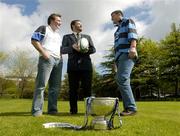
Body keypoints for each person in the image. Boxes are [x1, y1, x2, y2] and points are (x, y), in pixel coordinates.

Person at [61, 20, 96, 114]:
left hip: (86, 66)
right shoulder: (67, 37)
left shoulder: (87, 37)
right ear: (73, 25)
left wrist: (84, 50)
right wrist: (72, 47)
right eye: (79, 24)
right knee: (73, 89)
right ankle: (73, 111)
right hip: (73, 67)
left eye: (81, 24)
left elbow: (93, 49)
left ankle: (89, 110)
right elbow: (62, 50)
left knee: (87, 89)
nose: (81, 25)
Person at [31, 13, 63, 117]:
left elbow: (59, 48)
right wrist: (44, 52)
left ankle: (52, 110)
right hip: (47, 60)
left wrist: (60, 57)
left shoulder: (58, 35)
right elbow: (34, 40)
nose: (60, 23)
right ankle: (37, 111)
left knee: (55, 87)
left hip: (58, 61)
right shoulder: (44, 28)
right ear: (52, 20)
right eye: (58, 20)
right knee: (41, 86)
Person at [111, 10, 138, 116]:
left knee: (122, 79)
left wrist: (133, 47)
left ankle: (131, 108)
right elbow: (116, 47)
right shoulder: (116, 31)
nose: (112, 19)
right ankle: (128, 108)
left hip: (127, 53)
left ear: (119, 15)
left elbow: (133, 34)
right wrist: (115, 61)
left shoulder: (127, 21)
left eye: (113, 16)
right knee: (121, 80)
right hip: (119, 57)